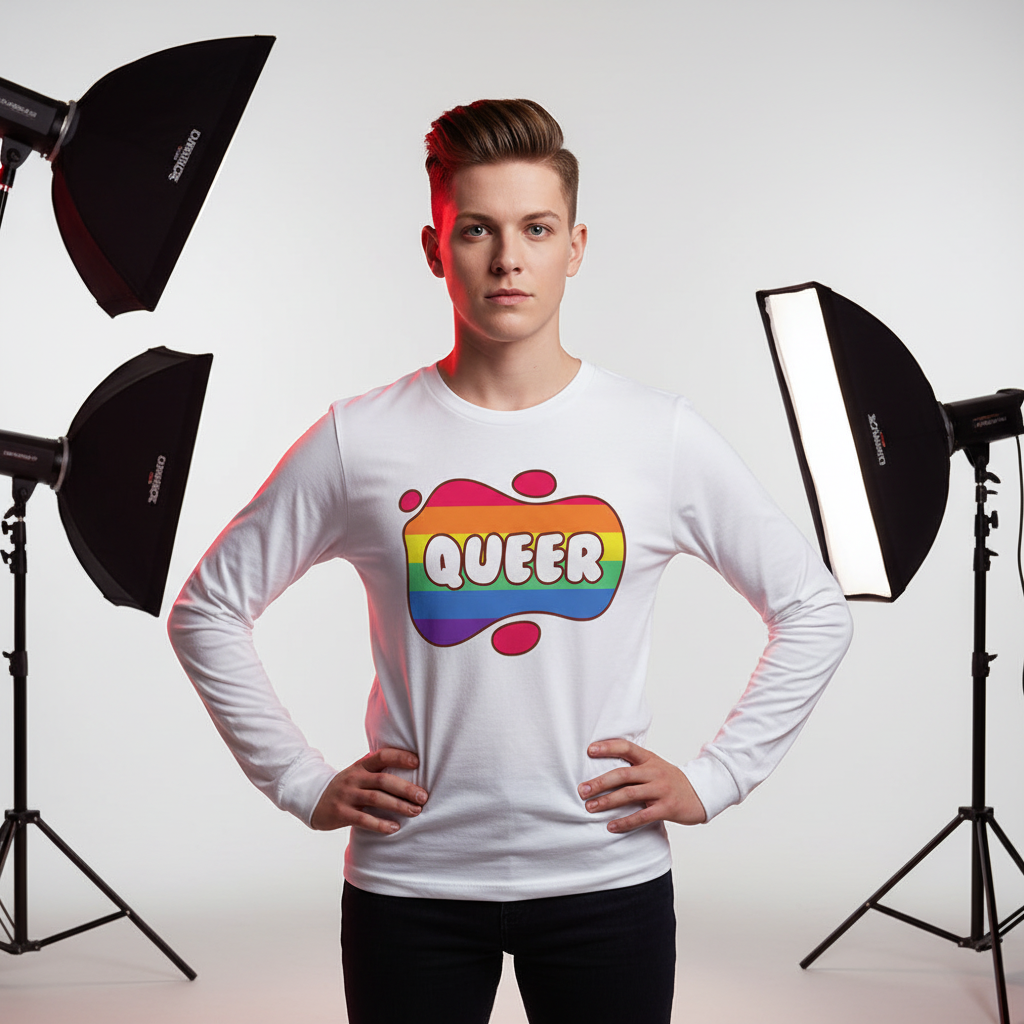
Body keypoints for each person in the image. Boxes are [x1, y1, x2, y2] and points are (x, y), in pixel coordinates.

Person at [168, 98, 853, 1024]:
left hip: (605, 880)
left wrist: (718, 776)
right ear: (433, 246)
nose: (507, 259)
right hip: (410, 886)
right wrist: (299, 781)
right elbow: (207, 609)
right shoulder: (358, 439)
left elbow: (815, 606)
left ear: (575, 246)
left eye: (535, 229)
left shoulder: (658, 436)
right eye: (476, 230)